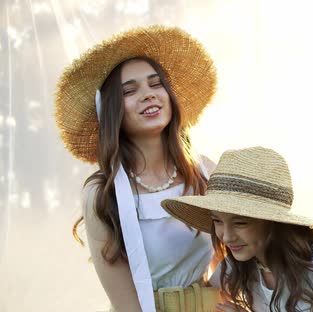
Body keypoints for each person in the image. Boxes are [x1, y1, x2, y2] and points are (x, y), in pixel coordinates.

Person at [54, 25, 219, 311]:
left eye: (157, 85)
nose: (148, 95)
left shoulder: (205, 172)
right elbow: (126, 304)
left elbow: (242, 254)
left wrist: (219, 297)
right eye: (130, 91)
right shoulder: (103, 196)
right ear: (112, 110)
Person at [161, 146, 313, 312]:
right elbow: (204, 296)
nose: (226, 235)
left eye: (240, 222)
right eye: (217, 221)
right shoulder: (238, 263)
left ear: (272, 222)